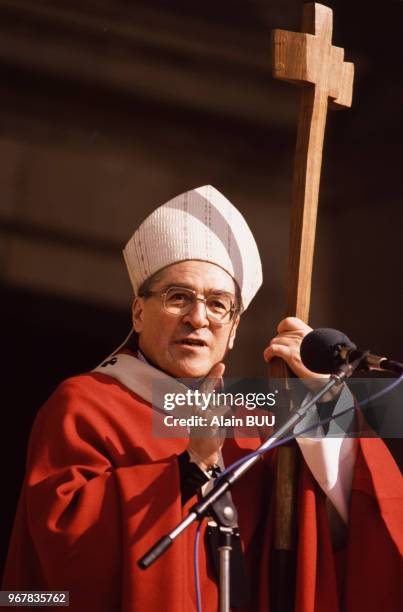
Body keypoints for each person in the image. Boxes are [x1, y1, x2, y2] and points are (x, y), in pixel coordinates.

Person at [3, 186, 402, 611]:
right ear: (138, 312)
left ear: (232, 331)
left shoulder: (256, 420)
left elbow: (347, 526)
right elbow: (61, 548)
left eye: (218, 305)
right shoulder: (87, 403)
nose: (198, 318)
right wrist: (187, 468)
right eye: (179, 297)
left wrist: (325, 402)